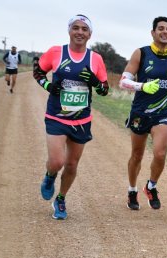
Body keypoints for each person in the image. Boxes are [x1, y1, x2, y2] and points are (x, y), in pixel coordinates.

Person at [33, 14, 109, 219]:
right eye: (76, 28)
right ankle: (50, 176)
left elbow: (104, 90)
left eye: (84, 29)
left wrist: (95, 81)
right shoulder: (56, 52)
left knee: (72, 164)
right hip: (57, 117)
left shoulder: (96, 59)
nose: (80, 32)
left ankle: (61, 199)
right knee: (57, 161)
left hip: (81, 120)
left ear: (90, 34)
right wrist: (48, 85)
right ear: (69, 30)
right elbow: (38, 72)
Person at [119, 16, 167, 210]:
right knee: (137, 155)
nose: (165, 32)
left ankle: (151, 186)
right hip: (140, 112)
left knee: (160, 153)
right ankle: (132, 190)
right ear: (153, 32)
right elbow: (123, 81)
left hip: (162, 112)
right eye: (161, 28)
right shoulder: (141, 53)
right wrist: (142, 86)